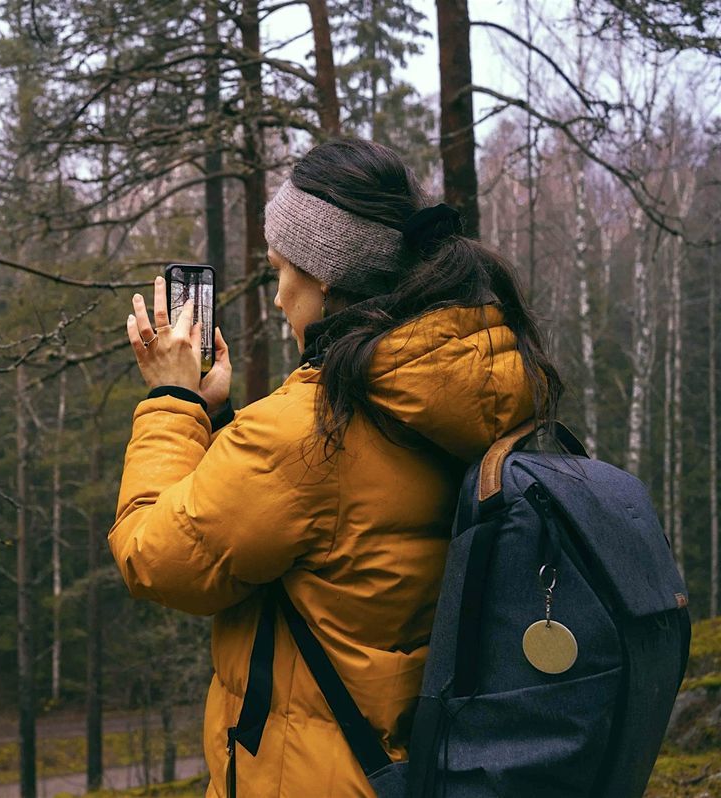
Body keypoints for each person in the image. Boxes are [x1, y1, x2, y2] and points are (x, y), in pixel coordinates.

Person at [111, 137, 562, 797]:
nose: (274, 299)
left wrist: (172, 401)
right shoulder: (471, 385)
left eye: (277, 271)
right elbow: (334, 527)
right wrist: (222, 415)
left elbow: (154, 557)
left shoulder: (313, 428)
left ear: (323, 274)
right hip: (432, 765)